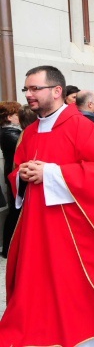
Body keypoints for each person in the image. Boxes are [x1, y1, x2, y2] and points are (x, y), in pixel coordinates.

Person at [0, 66, 94, 345]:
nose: (29, 95)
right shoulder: (29, 133)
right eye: (27, 90)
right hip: (38, 229)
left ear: (57, 91)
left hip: (76, 230)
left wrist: (52, 173)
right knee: (40, 290)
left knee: (81, 289)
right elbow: (18, 168)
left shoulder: (81, 126)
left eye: (35, 89)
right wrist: (21, 175)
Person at [0, 101, 22, 258]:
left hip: (13, 173)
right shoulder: (9, 134)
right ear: (9, 117)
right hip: (13, 175)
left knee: (16, 211)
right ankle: (7, 249)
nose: (19, 117)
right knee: (15, 212)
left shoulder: (12, 132)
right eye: (16, 115)